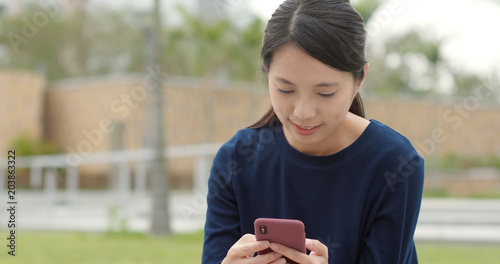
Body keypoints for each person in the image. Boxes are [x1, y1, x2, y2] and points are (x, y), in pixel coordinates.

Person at [202, 0, 425, 263]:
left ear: (359, 80)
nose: (303, 112)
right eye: (285, 89)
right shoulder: (236, 160)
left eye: (325, 92)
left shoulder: (396, 164)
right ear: (267, 73)